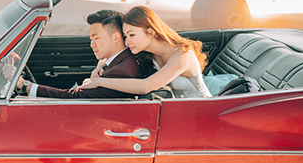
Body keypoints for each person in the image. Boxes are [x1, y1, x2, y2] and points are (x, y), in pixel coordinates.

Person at [77, 6, 212, 98]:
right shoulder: (145, 52)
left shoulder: (183, 56)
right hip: (176, 109)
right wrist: (99, 67)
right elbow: (113, 52)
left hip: (203, 109)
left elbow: (146, 86)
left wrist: (98, 82)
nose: (127, 41)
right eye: (125, 36)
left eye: (132, 35)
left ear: (151, 31)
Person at [3, 9, 143, 98]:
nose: (92, 44)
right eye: (91, 39)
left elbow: (74, 97)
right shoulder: (120, 61)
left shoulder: (121, 72)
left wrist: (23, 84)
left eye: (97, 38)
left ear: (116, 37)